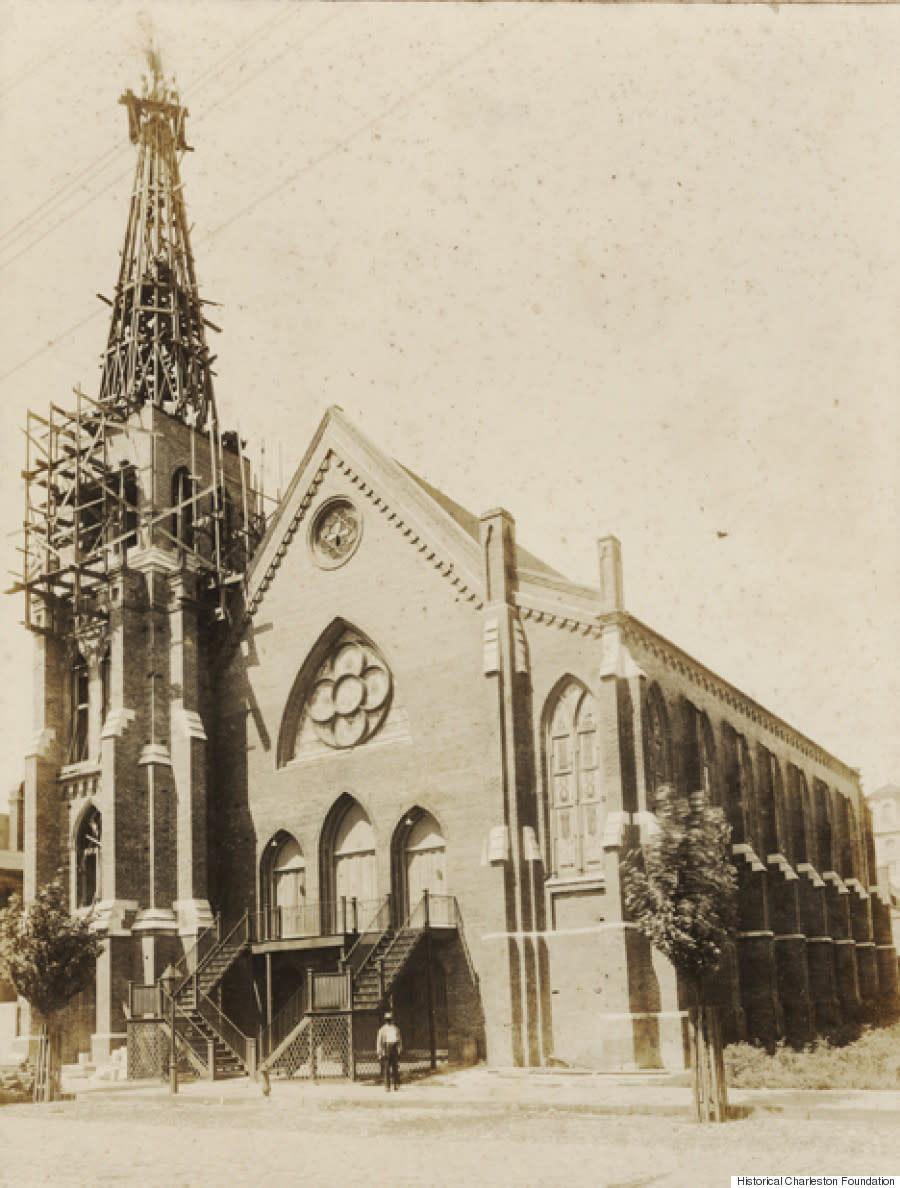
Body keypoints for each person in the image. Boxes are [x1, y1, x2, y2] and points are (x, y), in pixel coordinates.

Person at [376, 1011, 402, 1091]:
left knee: (395, 1068)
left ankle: (396, 1085)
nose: (389, 1021)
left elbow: (399, 1040)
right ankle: (387, 1086)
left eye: (390, 1019)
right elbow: (379, 1041)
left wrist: (399, 1049)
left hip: (394, 1047)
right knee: (387, 1068)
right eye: (387, 1020)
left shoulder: (396, 1028)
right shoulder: (382, 1030)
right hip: (386, 1048)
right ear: (385, 1020)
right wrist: (380, 1051)